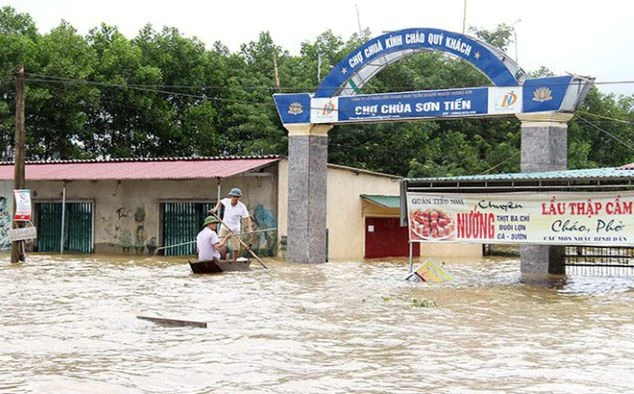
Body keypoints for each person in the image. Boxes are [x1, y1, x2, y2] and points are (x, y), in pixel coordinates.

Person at [208, 187, 253, 258]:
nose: (235, 198)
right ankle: (215, 259)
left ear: (239, 197)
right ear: (231, 196)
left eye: (237, 197)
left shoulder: (242, 207)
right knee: (218, 245)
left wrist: (250, 228)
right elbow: (220, 201)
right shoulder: (226, 201)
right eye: (234, 196)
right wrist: (215, 209)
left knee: (236, 248)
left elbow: (248, 217)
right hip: (224, 227)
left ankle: (234, 262)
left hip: (235, 229)